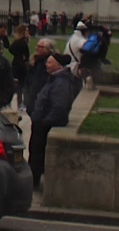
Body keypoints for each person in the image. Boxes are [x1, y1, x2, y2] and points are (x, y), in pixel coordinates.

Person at [28, 53, 76, 190]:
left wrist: (45, 122)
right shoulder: (55, 79)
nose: (46, 65)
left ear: (58, 65)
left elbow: (59, 106)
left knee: (38, 153)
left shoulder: (60, 82)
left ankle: (33, 181)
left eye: (49, 63)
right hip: (41, 122)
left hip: (44, 124)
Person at [22, 38, 57, 116]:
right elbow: (28, 80)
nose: (37, 48)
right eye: (37, 46)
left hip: (44, 100)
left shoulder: (51, 63)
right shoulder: (35, 61)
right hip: (32, 99)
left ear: (48, 49)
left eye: (41, 47)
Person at [9, 24, 31, 109]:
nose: (28, 32)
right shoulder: (20, 41)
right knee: (19, 85)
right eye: (26, 30)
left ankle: (20, 102)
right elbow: (11, 49)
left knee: (20, 85)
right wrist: (20, 56)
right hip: (19, 66)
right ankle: (19, 103)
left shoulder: (23, 40)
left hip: (21, 65)